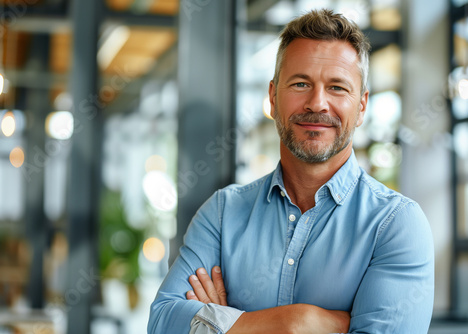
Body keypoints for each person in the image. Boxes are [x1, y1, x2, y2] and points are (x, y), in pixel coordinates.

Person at [148, 8, 434, 334]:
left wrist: (226, 323)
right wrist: (298, 323)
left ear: (362, 107)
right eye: (300, 83)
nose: (317, 103)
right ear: (272, 97)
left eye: (337, 87)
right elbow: (163, 321)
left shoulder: (395, 225)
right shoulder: (223, 213)